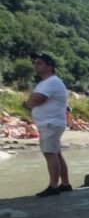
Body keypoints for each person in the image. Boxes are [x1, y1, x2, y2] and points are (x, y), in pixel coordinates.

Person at [25, 53, 72, 197]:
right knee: (56, 153)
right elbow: (35, 99)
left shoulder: (51, 82)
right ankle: (65, 184)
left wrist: (28, 102)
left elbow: (36, 100)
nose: (36, 65)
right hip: (51, 123)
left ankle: (53, 186)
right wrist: (30, 100)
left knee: (49, 154)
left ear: (50, 66)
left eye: (39, 63)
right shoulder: (45, 82)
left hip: (50, 123)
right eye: (36, 63)